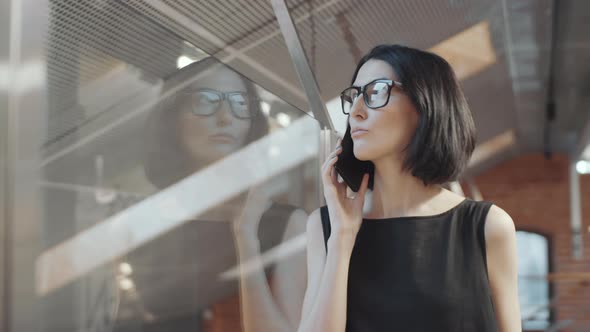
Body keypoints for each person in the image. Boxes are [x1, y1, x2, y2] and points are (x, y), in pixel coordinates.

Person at [297, 44, 521, 332]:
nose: (356, 112)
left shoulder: (487, 226)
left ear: (425, 104)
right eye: (354, 97)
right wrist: (341, 238)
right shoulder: (325, 226)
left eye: (375, 92)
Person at [114, 57, 307, 332]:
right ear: (173, 117)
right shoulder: (143, 225)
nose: (225, 117)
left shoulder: (287, 225)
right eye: (206, 100)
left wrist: (246, 237)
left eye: (239, 104)